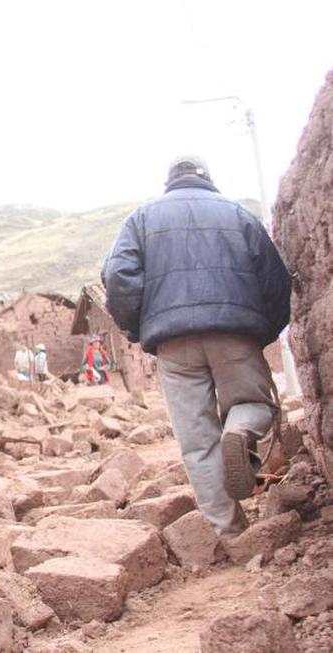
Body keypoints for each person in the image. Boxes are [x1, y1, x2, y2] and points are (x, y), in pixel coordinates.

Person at [102, 156, 291, 536]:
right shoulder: (237, 214)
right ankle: (238, 431)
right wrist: (263, 331)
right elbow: (275, 278)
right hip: (235, 332)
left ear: (169, 182)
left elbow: (118, 277)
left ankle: (231, 532)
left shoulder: (140, 220)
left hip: (172, 342)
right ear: (208, 180)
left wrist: (138, 328)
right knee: (254, 404)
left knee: (197, 441)